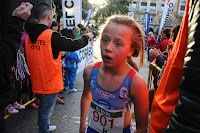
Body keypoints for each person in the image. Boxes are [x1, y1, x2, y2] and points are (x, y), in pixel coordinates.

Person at [24, 3, 93, 133]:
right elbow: (73, 45)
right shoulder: (50, 35)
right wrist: (86, 37)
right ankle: (44, 129)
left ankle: (44, 125)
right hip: (50, 82)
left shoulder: (29, 36)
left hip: (37, 80)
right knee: (46, 110)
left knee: (44, 109)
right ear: (49, 16)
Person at [80, 15, 148, 133]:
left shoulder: (137, 83)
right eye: (105, 40)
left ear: (131, 50)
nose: (108, 48)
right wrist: (82, 124)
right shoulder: (89, 71)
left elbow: (141, 128)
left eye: (118, 43)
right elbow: (86, 96)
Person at [149, 0, 193, 132]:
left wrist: (159, 57)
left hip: (171, 109)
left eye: (173, 36)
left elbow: (171, 67)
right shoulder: (171, 46)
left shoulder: (173, 46)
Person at [0, 2, 33, 133]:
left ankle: (14, 101)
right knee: (18, 82)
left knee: (19, 82)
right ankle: (12, 102)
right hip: (13, 65)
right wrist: (15, 25)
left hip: (15, 66)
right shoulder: (20, 36)